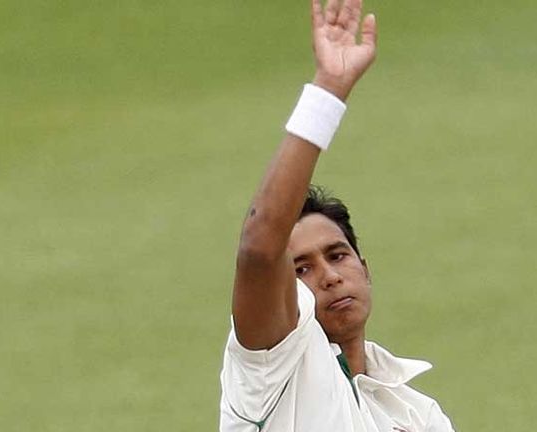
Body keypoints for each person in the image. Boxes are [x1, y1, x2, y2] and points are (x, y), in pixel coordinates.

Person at [219, 0, 455, 430]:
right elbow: (260, 248)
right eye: (301, 269)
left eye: (337, 255)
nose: (328, 276)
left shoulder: (416, 413)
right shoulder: (268, 368)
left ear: (365, 269)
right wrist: (328, 91)